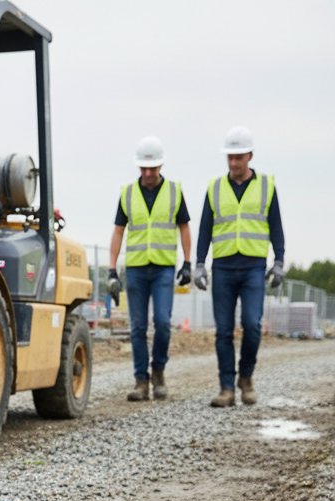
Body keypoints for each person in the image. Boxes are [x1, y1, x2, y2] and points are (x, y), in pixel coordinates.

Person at [194, 126, 285, 407]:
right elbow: (205, 229)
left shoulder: (266, 186)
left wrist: (279, 260)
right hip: (222, 267)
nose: (234, 163)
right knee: (223, 330)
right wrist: (199, 263)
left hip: (253, 268)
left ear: (250, 156)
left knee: (252, 325)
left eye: (239, 158)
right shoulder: (215, 187)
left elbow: (276, 227)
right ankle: (226, 388)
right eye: (230, 158)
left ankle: (245, 377)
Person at [107, 136, 192, 401]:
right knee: (137, 327)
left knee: (163, 324)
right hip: (136, 270)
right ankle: (140, 381)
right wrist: (111, 269)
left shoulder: (174, 192)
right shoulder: (128, 193)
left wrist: (188, 262)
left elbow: (184, 228)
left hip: (164, 268)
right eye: (143, 169)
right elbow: (118, 231)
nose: (147, 173)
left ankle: (158, 371)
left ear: (161, 165)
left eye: (152, 169)